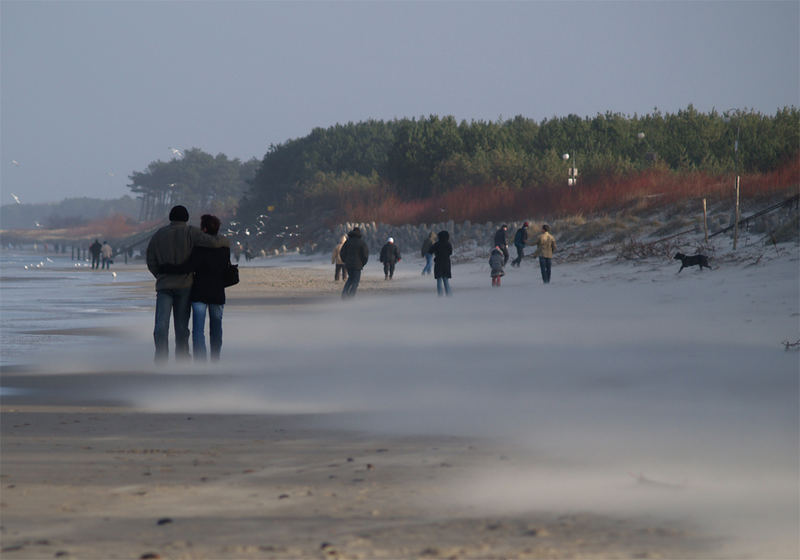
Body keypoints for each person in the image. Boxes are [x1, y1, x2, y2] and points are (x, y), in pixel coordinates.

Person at [146, 205, 230, 363]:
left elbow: (150, 258)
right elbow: (212, 242)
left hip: (164, 286)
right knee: (182, 327)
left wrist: (159, 274)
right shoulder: (191, 232)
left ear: (171, 217)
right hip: (185, 285)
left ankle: (161, 359)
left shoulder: (159, 234)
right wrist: (226, 241)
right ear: (185, 218)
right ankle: (182, 358)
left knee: (161, 326)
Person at [340, 227, 369, 298]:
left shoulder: (347, 242)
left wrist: (345, 261)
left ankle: (344, 294)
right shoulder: (362, 242)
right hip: (358, 265)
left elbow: (342, 253)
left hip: (349, 264)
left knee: (350, 279)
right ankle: (350, 296)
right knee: (355, 282)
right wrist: (363, 263)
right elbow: (365, 255)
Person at [429, 230, 453, 296]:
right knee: (446, 280)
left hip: (438, 263)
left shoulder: (436, 244)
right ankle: (449, 295)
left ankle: (440, 295)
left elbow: (430, 251)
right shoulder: (448, 244)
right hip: (446, 263)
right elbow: (450, 252)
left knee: (439, 280)